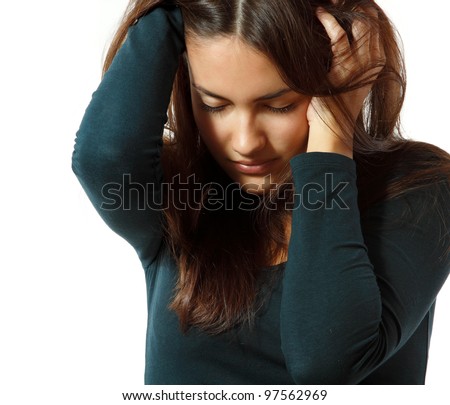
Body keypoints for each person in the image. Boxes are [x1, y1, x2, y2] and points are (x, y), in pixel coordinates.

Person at [72, 0, 450, 384]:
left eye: (278, 106)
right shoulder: (184, 195)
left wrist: (331, 139)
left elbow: (325, 364)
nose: (245, 142)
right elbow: (103, 157)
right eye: (214, 105)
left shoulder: (420, 188)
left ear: (336, 78)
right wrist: (174, 10)